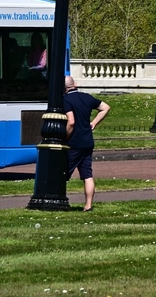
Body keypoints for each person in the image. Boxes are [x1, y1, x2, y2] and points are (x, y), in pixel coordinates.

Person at [64, 75, 110, 211]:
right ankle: (88, 205)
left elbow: (71, 121)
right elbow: (105, 107)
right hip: (87, 141)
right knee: (87, 174)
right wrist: (94, 123)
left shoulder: (65, 100)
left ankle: (59, 199)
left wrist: (65, 137)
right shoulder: (86, 97)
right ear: (75, 84)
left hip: (74, 142)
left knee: (62, 173)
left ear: (64, 88)